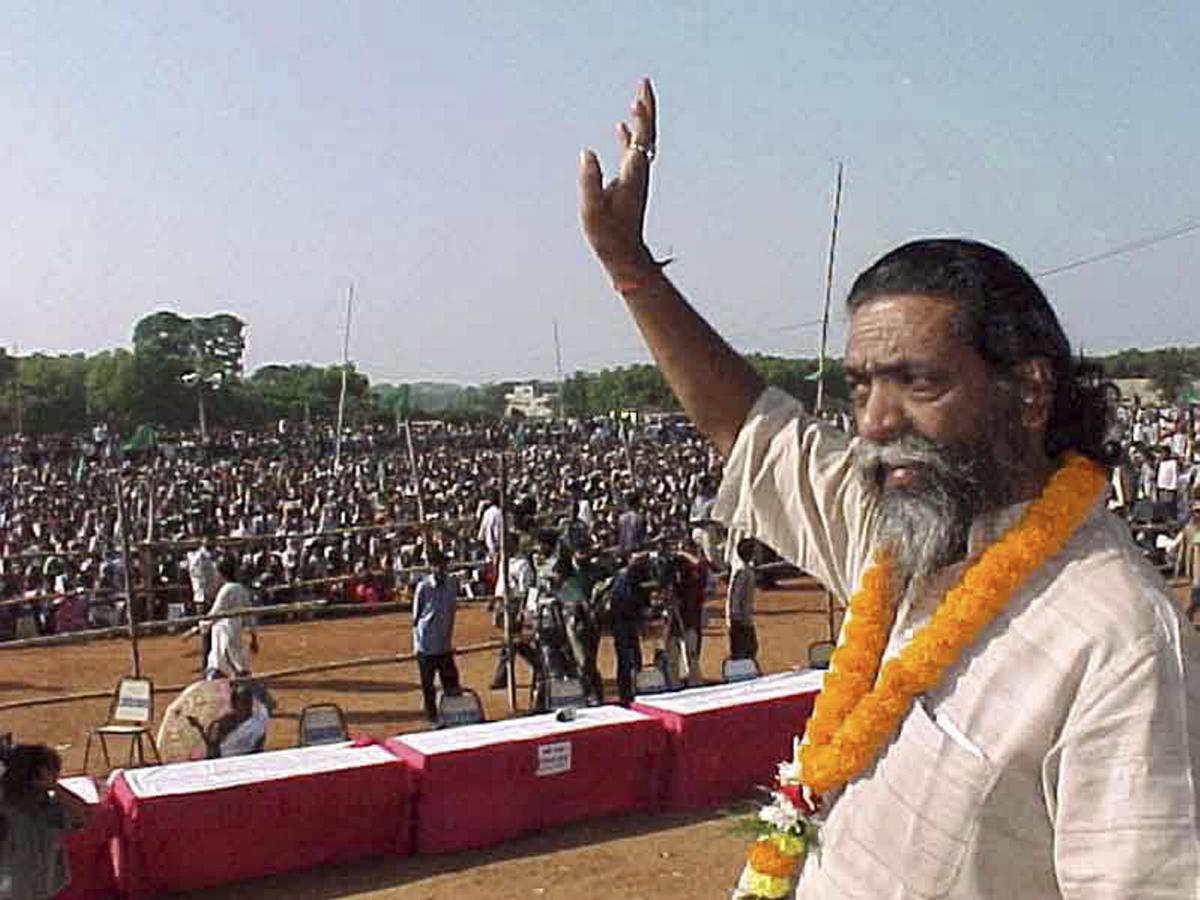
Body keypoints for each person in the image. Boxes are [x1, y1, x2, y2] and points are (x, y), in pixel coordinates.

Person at [579, 78, 1199, 897]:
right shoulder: (901, 536)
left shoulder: (1119, 641)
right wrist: (632, 271)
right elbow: (754, 430)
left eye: (916, 382)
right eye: (862, 385)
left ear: (1029, 392)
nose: (873, 422)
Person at [0, 743, 91, 899]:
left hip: (40, 890)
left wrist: (55, 787)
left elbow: (83, 816)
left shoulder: (49, 807)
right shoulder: (6, 807)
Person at [412, 547, 461, 723]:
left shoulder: (452, 584)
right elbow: (416, 617)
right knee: (428, 685)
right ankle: (432, 718)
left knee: (452, 682)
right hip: (426, 644)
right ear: (431, 567)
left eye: (443, 565)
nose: (441, 569)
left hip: (444, 643)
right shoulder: (423, 587)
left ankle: (455, 713)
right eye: (437, 565)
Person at [199, 555, 259, 679]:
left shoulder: (226, 590)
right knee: (222, 662)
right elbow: (249, 615)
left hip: (224, 631)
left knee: (230, 666)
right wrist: (254, 636)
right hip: (233, 629)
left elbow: (215, 613)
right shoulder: (241, 589)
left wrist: (203, 625)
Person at [186, 680, 269, 759]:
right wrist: (199, 728)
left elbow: (258, 745)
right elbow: (213, 750)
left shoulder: (257, 720)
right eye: (242, 703)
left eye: (247, 702)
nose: (246, 706)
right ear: (234, 704)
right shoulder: (221, 725)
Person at [609, 553, 651, 705]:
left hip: (629, 621)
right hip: (621, 621)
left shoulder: (639, 574)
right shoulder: (624, 578)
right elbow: (626, 601)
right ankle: (626, 694)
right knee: (626, 659)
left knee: (633, 658)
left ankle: (634, 690)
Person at [726, 537, 759, 662]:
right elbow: (735, 596)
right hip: (740, 620)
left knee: (750, 649)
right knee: (744, 651)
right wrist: (736, 619)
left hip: (744, 618)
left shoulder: (746, 570)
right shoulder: (742, 572)